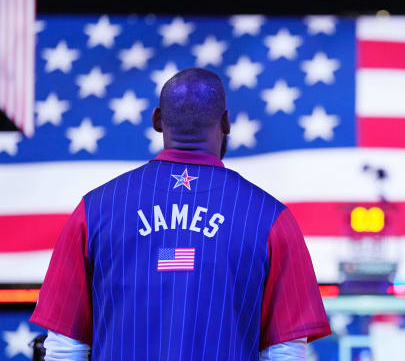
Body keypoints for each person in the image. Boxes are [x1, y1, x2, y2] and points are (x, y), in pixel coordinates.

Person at [31, 68, 331, 360]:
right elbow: (285, 352)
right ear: (226, 122)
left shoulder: (94, 210)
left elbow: (65, 348)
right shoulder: (270, 219)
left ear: (157, 120)